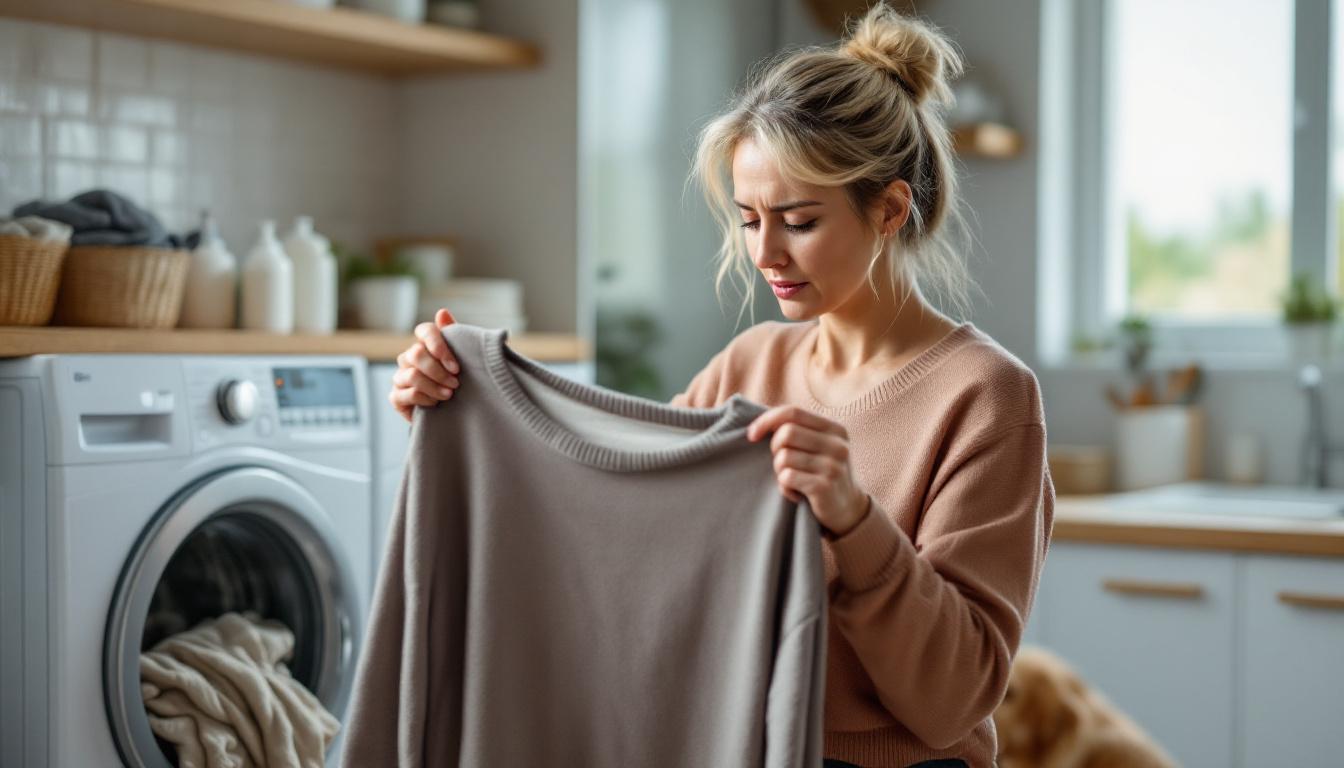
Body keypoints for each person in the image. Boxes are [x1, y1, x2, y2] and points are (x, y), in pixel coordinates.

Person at [386, 4, 1054, 767]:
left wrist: (853, 518)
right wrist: (456, 411)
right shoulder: (747, 367)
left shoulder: (988, 398)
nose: (765, 251)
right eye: (748, 218)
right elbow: (609, 530)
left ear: (890, 210)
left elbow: (955, 696)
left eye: (798, 220)